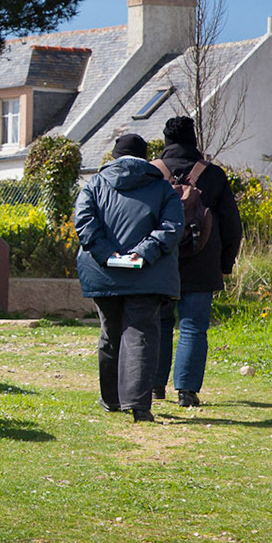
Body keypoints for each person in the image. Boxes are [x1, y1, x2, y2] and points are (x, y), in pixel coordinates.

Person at [74, 132, 183, 422]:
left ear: (114, 157)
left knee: (110, 332)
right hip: (148, 274)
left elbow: (84, 223)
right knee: (141, 333)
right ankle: (138, 405)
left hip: (103, 273)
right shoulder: (163, 188)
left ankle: (111, 399)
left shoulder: (94, 185)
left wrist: (108, 254)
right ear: (146, 157)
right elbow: (172, 227)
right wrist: (141, 253)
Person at [153, 114, 244, 408]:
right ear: (193, 140)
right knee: (193, 326)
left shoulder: (153, 173)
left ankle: (154, 385)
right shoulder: (213, 174)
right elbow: (232, 225)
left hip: (159, 260)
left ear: (166, 140)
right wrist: (225, 264)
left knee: (159, 323)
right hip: (202, 262)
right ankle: (187, 391)